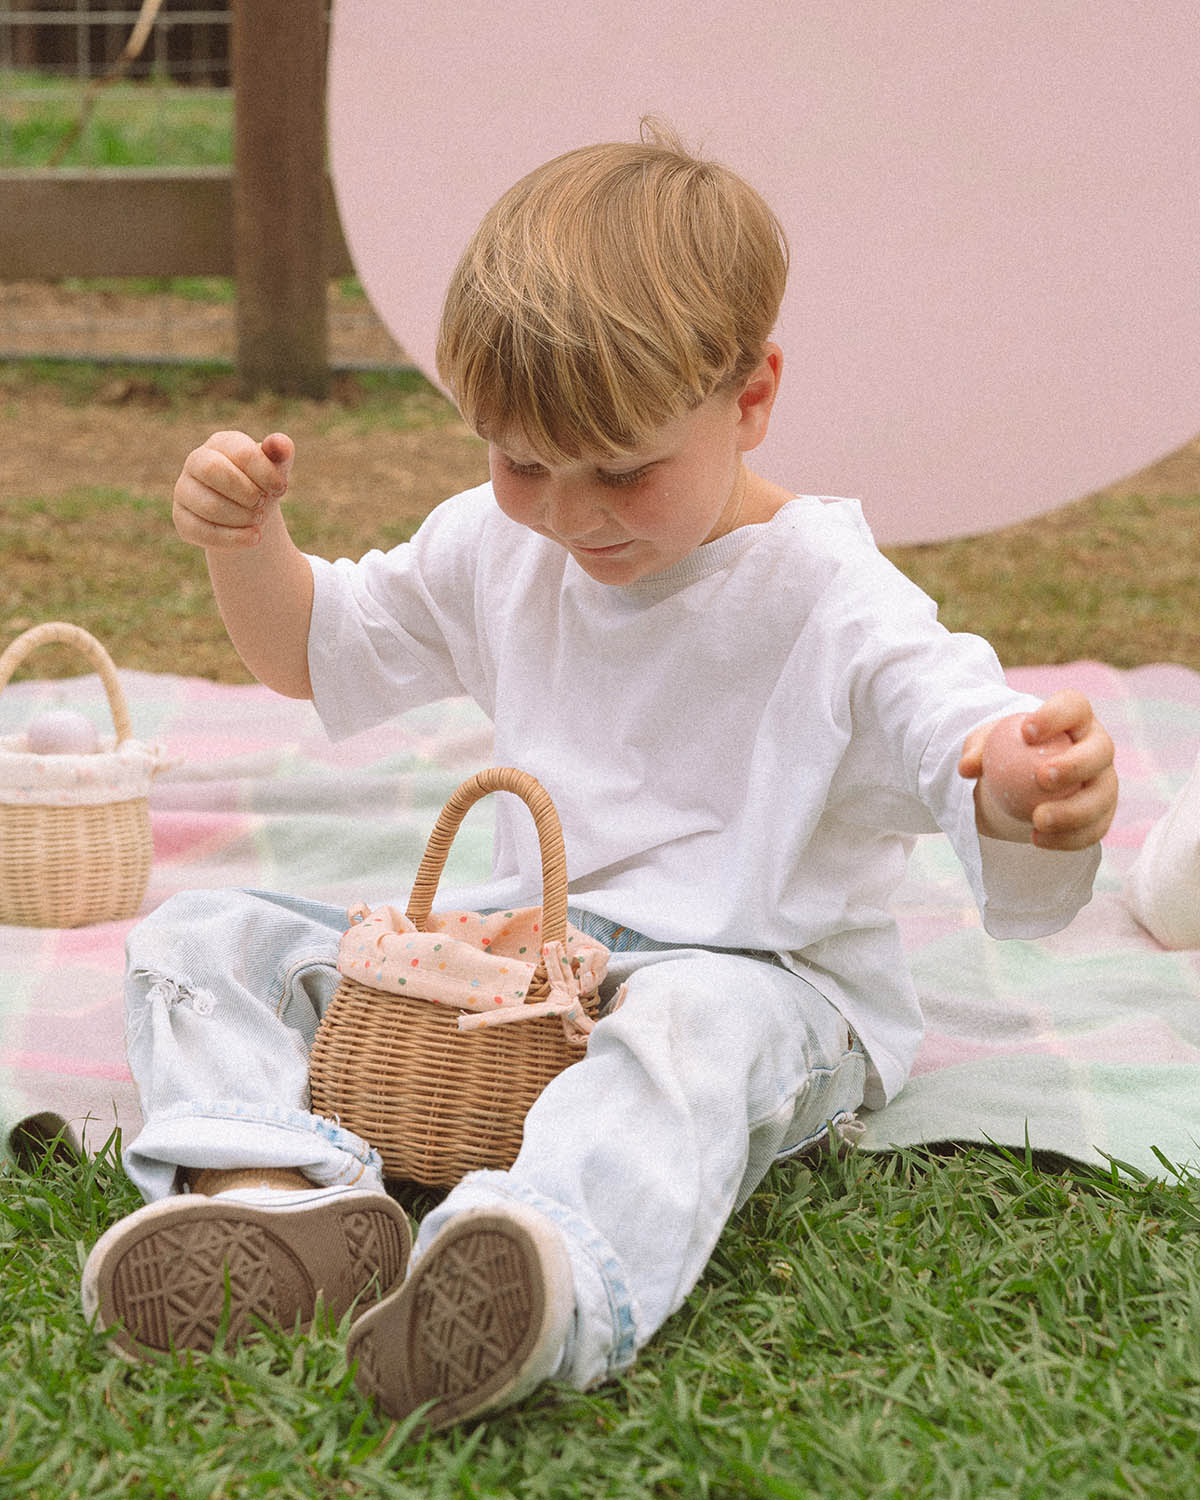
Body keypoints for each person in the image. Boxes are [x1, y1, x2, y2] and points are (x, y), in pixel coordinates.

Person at [80, 125, 1118, 1428]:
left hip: (763, 975)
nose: (572, 516)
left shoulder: (831, 595)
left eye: (624, 470)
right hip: (536, 963)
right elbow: (314, 648)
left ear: (750, 398)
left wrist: (1024, 776)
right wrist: (248, 542)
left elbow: (953, 726)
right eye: (522, 464)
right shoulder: (496, 545)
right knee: (206, 930)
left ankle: (543, 1268)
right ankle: (271, 1196)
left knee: (685, 1038)